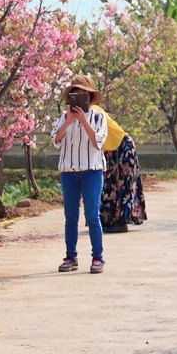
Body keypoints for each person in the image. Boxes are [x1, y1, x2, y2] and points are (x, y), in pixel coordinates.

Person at [52, 75, 108, 274]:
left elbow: (97, 141)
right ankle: (71, 256)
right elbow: (56, 140)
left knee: (92, 215)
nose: (80, 98)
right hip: (69, 172)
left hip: (92, 171)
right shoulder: (63, 116)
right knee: (70, 216)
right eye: (76, 94)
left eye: (84, 95)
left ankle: (98, 257)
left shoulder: (99, 117)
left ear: (90, 97)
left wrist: (83, 120)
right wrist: (69, 121)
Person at [93, 104, 147, 233]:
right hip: (109, 150)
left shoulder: (94, 111)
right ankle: (107, 220)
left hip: (123, 146)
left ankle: (120, 222)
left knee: (123, 185)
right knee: (107, 185)